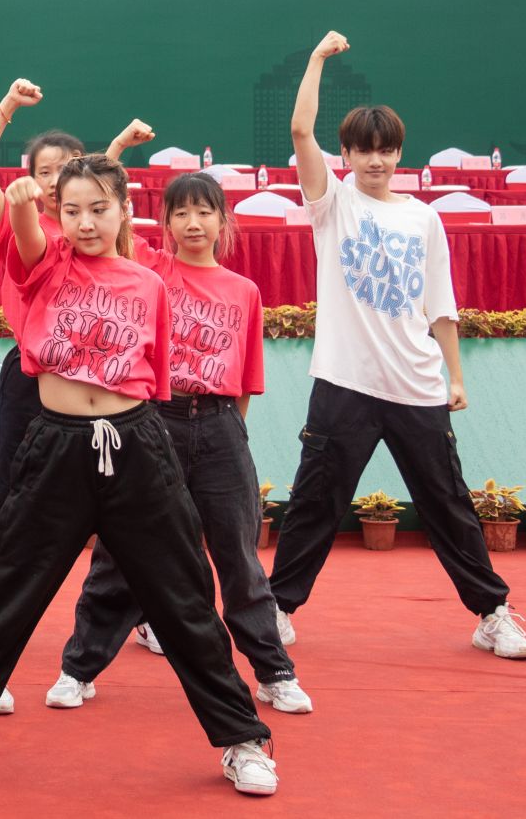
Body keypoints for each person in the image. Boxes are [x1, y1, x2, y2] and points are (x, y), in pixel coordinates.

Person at [0, 155, 280, 798]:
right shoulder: (45, 263)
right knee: (7, 594)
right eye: (72, 209)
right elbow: (25, 230)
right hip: (55, 448)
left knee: (185, 598)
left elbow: (156, 378)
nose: (85, 222)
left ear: (124, 210)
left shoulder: (149, 284)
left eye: (99, 209)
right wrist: (22, 200)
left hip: (137, 447)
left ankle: (243, 739)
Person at [267, 31, 526, 662]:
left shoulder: (423, 217)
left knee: (448, 504)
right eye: (364, 150)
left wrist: (455, 376)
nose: (376, 161)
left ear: (398, 153)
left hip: (416, 386)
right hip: (344, 384)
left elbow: (440, 305)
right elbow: (301, 131)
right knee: (315, 503)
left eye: (385, 150)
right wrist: (316, 59)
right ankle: (276, 609)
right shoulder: (332, 205)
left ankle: (492, 613)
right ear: (347, 154)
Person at [46, 171, 310, 718]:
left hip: (220, 426)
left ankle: (274, 672)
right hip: (153, 420)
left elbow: (245, 380)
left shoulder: (244, 291)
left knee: (238, 556)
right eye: (181, 213)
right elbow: (99, 210)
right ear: (163, 223)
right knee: (120, 554)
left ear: (223, 220)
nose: (193, 223)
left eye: (204, 212)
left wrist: (225, 433)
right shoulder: (150, 269)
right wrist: (116, 156)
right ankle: (79, 668)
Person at [0, 81, 152, 548]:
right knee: (14, 483)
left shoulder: (89, 225)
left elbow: (100, 193)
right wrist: (8, 104)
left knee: (114, 497)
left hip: (95, 369)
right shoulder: (21, 224)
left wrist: (118, 147)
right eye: (43, 171)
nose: (52, 179)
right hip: (34, 372)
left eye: (63, 169)